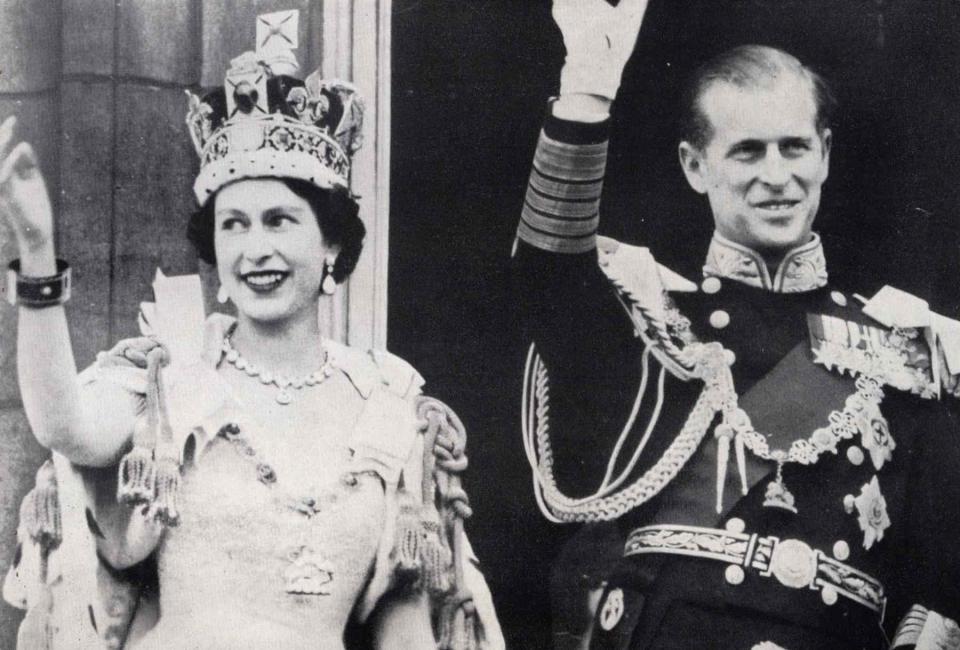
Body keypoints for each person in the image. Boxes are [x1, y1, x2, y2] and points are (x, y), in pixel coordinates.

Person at [0, 27, 502, 650]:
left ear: (332, 245)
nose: (255, 248)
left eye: (279, 221)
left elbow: (401, 626)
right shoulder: (171, 379)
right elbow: (61, 424)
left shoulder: (387, 403)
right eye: (233, 225)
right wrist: (38, 253)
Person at [515, 0, 960, 648]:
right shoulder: (656, 320)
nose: (775, 176)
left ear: (825, 155)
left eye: (794, 148)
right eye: (748, 152)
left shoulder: (906, 354)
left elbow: (942, 582)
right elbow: (547, 282)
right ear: (696, 165)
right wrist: (584, 94)